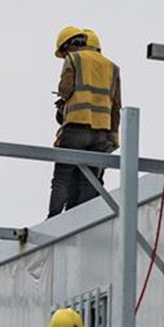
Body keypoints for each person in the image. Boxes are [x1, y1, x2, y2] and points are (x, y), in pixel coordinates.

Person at [48, 27, 121, 218]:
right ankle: (81, 220)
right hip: (101, 132)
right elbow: (116, 106)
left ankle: (53, 219)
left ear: (70, 46)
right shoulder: (113, 68)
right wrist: (114, 137)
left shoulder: (74, 59)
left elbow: (65, 89)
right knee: (89, 180)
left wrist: (62, 105)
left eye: (63, 52)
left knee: (62, 177)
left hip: (76, 126)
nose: (64, 57)